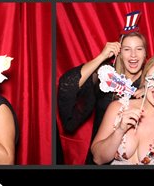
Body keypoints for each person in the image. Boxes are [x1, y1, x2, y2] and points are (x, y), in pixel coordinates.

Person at [57, 14, 148, 163]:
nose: (133, 55)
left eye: (139, 49)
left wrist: (151, 89)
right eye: (127, 49)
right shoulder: (106, 76)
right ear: (119, 53)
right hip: (100, 157)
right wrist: (101, 56)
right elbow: (66, 86)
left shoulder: (152, 81)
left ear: (145, 54)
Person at [91, 54, 154, 165]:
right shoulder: (118, 108)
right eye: (153, 79)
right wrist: (119, 131)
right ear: (144, 80)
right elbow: (98, 159)